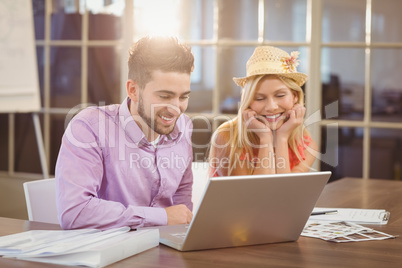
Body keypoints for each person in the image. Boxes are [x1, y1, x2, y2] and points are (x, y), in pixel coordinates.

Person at [55, 36, 195, 230]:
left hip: (165, 250)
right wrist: (161, 217)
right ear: (133, 90)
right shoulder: (90, 127)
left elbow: (182, 202)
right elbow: (75, 213)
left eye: (183, 97)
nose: (176, 109)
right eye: (165, 96)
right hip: (110, 253)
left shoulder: (184, 126)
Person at [209, 46, 317, 177]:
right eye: (259, 98)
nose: (271, 107)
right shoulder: (226, 137)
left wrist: (281, 138)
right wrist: (265, 138)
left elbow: (285, 192)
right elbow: (256, 195)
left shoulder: (306, 143)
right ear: (247, 101)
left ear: (295, 97)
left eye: (280, 95)